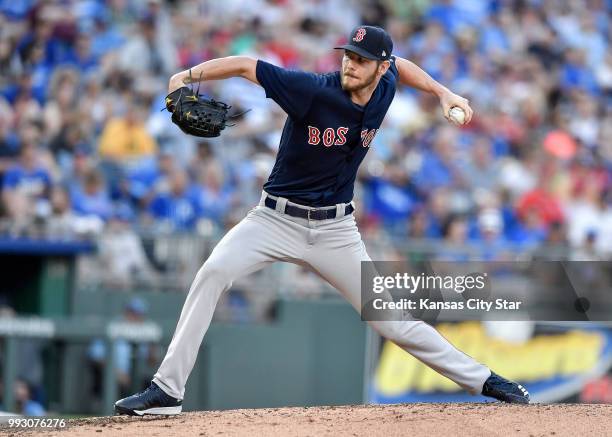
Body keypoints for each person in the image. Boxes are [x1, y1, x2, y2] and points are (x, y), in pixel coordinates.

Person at [115, 25, 529, 416]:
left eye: (362, 59)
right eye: (348, 55)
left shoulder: (385, 85)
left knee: (392, 322)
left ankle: (487, 382)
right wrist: (183, 76)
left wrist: (443, 91)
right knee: (213, 273)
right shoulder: (311, 90)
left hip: (336, 231)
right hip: (273, 220)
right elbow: (246, 65)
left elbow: (401, 66)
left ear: (379, 69)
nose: (351, 63)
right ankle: (168, 389)